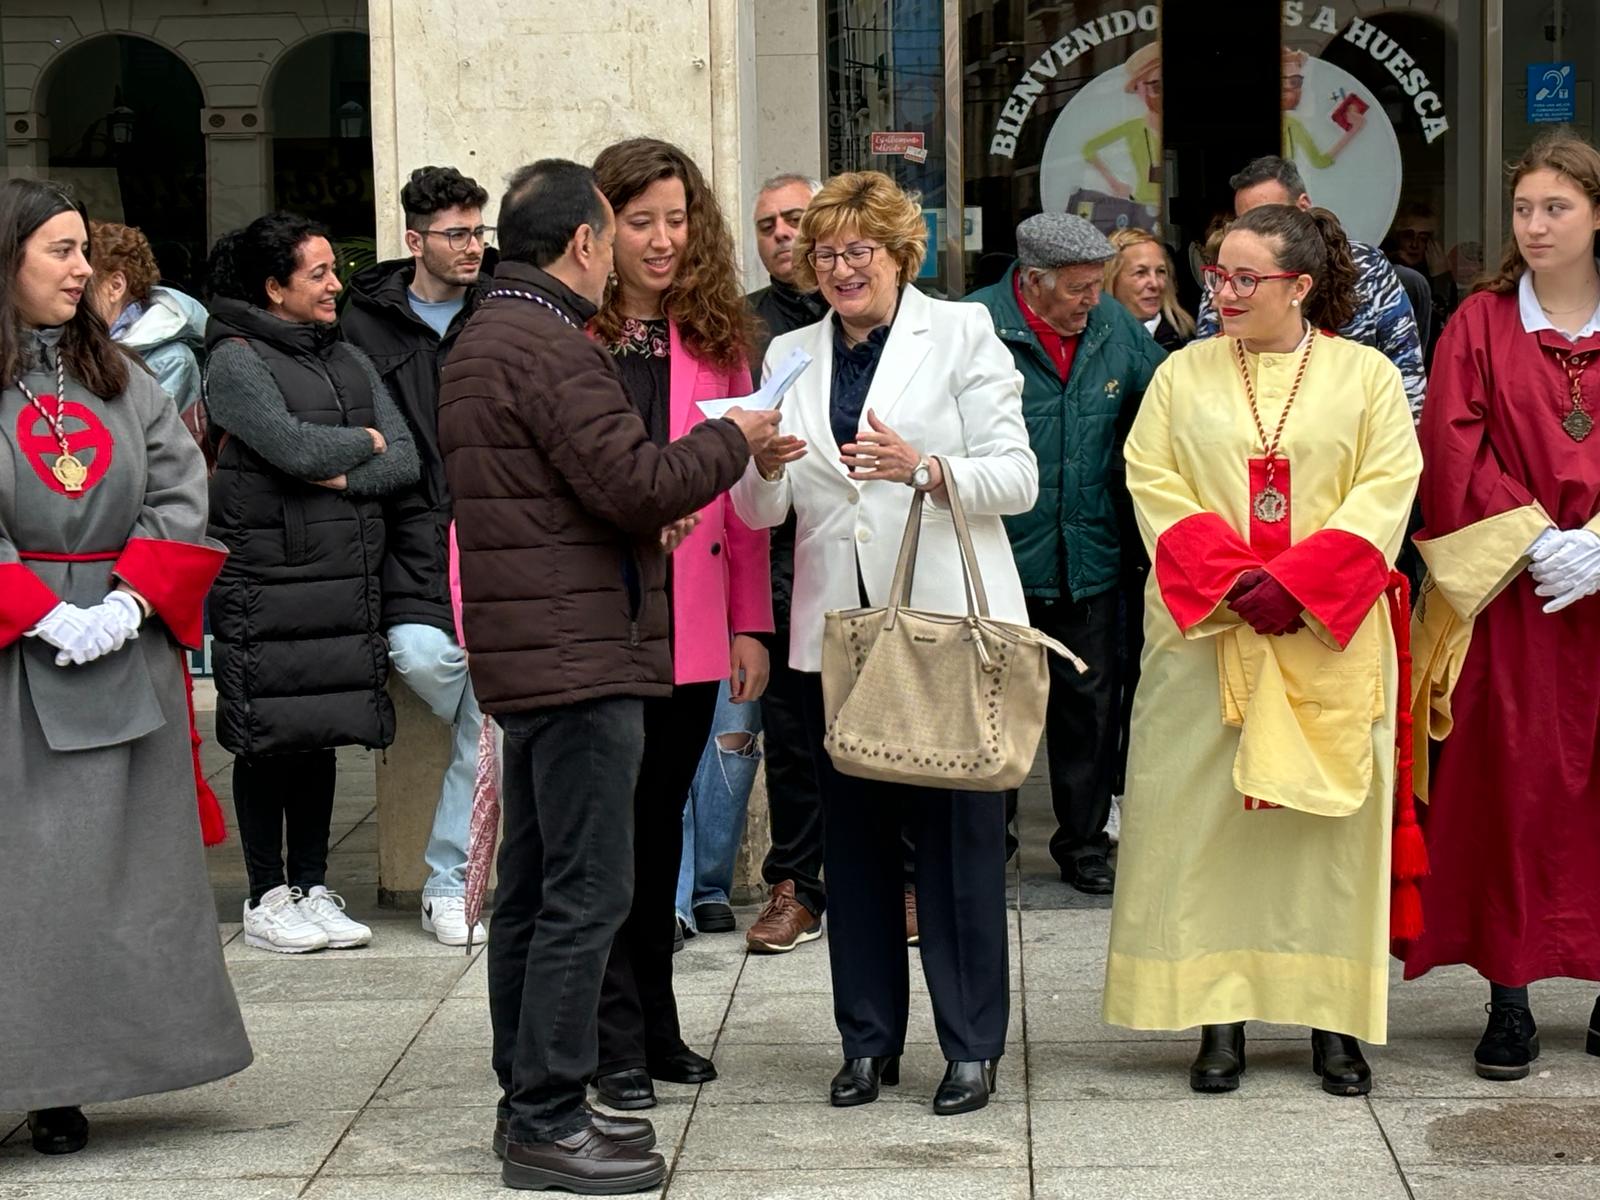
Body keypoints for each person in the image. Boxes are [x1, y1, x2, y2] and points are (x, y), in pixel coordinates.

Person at [438, 157, 778, 1194]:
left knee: (537, 895)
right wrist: (731, 435)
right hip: (580, 656)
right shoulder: (550, 343)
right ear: (586, 242)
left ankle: (527, 1103)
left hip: (540, 649)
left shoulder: (481, 335)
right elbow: (634, 483)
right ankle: (546, 1116)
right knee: (583, 893)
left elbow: (566, 495)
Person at [731, 170, 1039, 1116]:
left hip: (948, 630)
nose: (838, 268)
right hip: (840, 637)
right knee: (853, 854)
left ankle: (972, 1044)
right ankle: (866, 1043)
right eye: (822, 253)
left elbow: (1019, 476)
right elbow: (762, 511)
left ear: (901, 253)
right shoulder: (788, 350)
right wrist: (760, 461)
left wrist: (928, 470)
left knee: (956, 851)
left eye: (858, 250)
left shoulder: (962, 333)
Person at [1104, 203, 1421, 1095]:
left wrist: (1302, 585)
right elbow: (1151, 481)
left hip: (1328, 635)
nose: (1226, 292)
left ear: (1302, 287)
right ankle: (1218, 1018)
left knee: (1326, 838)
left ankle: (1333, 1023)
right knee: (1200, 831)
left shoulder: (1366, 377)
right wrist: (1239, 582)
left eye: (1248, 277)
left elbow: (1387, 490)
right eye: (1219, 275)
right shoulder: (1181, 374)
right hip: (1208, 635)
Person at [0, 178, 251, 1154]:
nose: (82, 271)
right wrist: (37, 609)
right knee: (22, 889)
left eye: (83, 252)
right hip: (14, 670)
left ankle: (75, 1080)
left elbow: (183, 489)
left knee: (112, 891)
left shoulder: (124, 378)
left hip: (123, 659)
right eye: (59, 251)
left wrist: (127, 601)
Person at [1403, 131, 1600, 1082]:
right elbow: (1452, 446)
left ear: (1597, 214)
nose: (1535, 225)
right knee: (1510, 791)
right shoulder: (1476, 325)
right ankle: (1510, 994)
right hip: (1511, 604)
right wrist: (1532, 539)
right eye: (1524, 208)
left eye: (1556, 207)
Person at [586, 137, 774, 1109]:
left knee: (658, 829)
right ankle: (610, 1035)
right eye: (639, 220)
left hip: (695, 622)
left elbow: (742, 497)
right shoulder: (570, 334)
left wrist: (751, 623)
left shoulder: (716, 337)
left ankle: (654, 1026)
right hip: (596, 619)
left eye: (676, 218)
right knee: (608, 839)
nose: (662, 240)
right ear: (600, 228)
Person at [204, 212, 420, 954]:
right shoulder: (234, 359)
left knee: (320, 734)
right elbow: (291, 447)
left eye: (334, 270)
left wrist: (344, 468)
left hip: (337, 577)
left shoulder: (348, 358)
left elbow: (407, 461)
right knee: (269, 737)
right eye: (319, 273)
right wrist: (362, 441)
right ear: (274, 288)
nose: (337, 284)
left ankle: (314, 885)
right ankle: (267, 894)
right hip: (267, 579)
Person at [964, 214, 1165, 893]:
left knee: (1089, 709)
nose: (1092, 301)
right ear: (1034, 281)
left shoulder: (1115, 329)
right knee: (994, 706)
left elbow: (1164, 409)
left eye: (1096, 286)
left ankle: (1082, 845)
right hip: (998, 558)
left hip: (1090, 551)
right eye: (1079, 289)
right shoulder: (973, 324)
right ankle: (989, 845)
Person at [340, 164, 493, 946]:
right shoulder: (362, 323)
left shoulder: (502, 306)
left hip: (494, 545)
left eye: (478, 230)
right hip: (404, 552)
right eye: (456, 234)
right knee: (440, 670)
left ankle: (448, 882)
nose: (472, 246)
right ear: (413, 240)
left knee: (487, 702)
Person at [742, 172, 832, 956]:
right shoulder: (744, 330)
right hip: (776, 558)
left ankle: (902, 877)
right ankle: (796, 886)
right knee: (794, 739)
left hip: (868, 560)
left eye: (794, 219)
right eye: (767, 224)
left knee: (888, 728)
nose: (780, 235)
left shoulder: (881, 319)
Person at [1196, 156, 1425, 419]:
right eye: (1244, 221)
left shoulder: (1367, 267)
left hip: (1353, 428)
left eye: (1270, 217)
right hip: (1248, 425)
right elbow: (1206, 366)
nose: (1254, 232)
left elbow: (1407, 369)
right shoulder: (1227, 277)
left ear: (1303, 206)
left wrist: (1396, 444)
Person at [87, 219, 208, 411]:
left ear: (116, 286)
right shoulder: (85, 339)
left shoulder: (172, 359)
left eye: (84, 282)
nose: (73, 290)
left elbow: (142, 436)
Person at [1105, 227, 1195, 352]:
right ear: (1111, 278)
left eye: (1161, 271)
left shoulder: (1185, 344)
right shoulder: (1086, 341)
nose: (1155, 283)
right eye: (1140, 272)